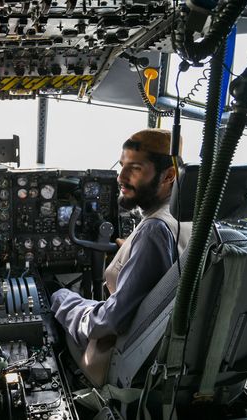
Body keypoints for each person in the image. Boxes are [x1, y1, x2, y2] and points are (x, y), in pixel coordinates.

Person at [50, 128, 192, 384]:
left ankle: (73, 384)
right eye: (122, 164)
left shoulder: (154, 231)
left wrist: (66, 303)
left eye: (135, 168)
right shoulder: (193, 217)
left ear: (169, 175)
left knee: (56, 298)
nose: (121, 177)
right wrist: (131, 249)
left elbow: (109, 321)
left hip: (126, 358)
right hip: (171, 354)